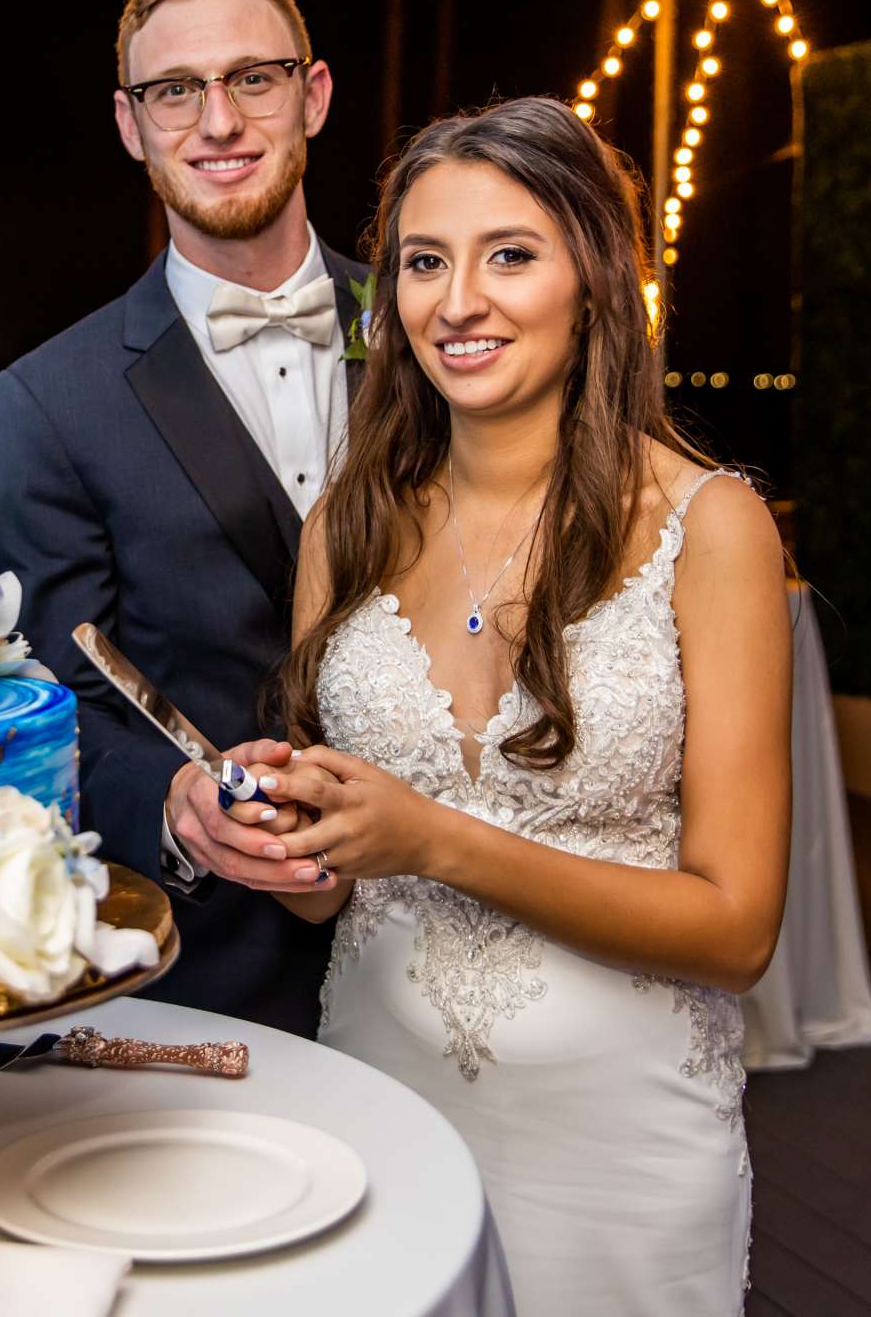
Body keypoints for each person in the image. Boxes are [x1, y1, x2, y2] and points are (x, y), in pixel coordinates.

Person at [247, 96, 793, 1312]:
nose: (458, 301)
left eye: (510, 254)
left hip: (623, 1149)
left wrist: (435, 838)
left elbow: (739, 929)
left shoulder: (713, 527)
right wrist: (269, 830)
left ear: (594, 279)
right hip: (376, 1103)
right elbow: (334, 872)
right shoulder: (348, 522)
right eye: (425, 263)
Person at [0, 0, 358, 1035]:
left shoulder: (435, 331)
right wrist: (174, 799)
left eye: (255, 78)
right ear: (129, 123)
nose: (219, 122)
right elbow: (52, 707)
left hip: (466, 926)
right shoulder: (51, 398)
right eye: (174, 91)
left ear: (313, 95)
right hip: (221, 973)